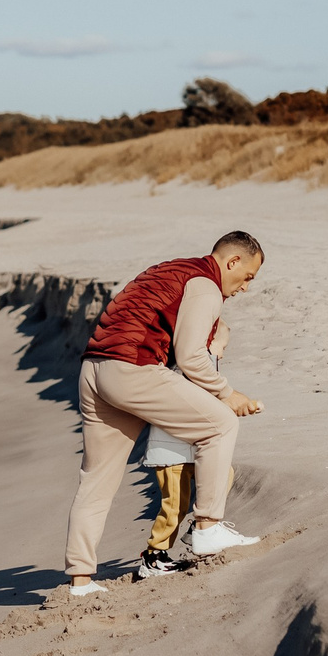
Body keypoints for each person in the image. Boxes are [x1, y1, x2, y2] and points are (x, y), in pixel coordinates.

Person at [65, 232, 266, 596]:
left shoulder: (171, 269)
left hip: (93, 369)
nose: (245, 287)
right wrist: (228, 394)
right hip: (132, 369)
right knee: (220, 424)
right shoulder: (206, 285)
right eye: (248, 276)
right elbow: (189, 357)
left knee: (96, 479)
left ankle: (80, 581)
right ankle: (206, 528)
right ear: (232, 262)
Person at [134, 314, 229, 579]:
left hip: (193, 449)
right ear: (208, 342)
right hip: (170, 452)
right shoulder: (187, 366)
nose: (224, 352)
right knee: (174, 505)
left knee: (225, 474)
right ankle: (154, 557)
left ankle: (199, 528)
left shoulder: (205, 364)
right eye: (223, 345)